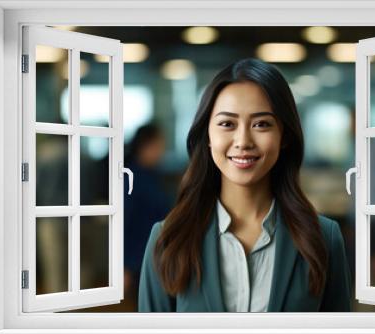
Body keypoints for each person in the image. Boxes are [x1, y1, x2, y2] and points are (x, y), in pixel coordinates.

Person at [138, 58, 352, 312]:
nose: (243, 141)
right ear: (207, 135)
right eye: (227, 124)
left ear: (284, 136)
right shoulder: (168, 239)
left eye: (261, 124)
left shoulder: (324, 239)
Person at [124, 124, 172, 302]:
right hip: (138, 258)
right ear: (147, 145)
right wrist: (125, 265)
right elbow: (124, 222)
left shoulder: (153, 174)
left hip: (156, 255)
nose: (162, 151)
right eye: (159, 145)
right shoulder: (130, 177)